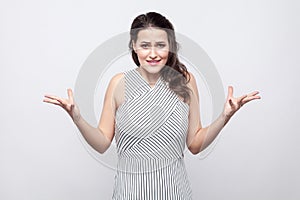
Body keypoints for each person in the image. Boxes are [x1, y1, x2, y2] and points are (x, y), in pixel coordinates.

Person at [43, 12, 261, 200]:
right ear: (134, 47)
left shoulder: (185, 81)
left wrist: (225, 116)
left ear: (171, 47)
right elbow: (101, 143)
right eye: (145, 45)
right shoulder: (119, 83)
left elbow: (195, 144)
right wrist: (77, 117)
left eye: (161, 45)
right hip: (128, 193)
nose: (153, 53)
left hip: (175, 192)